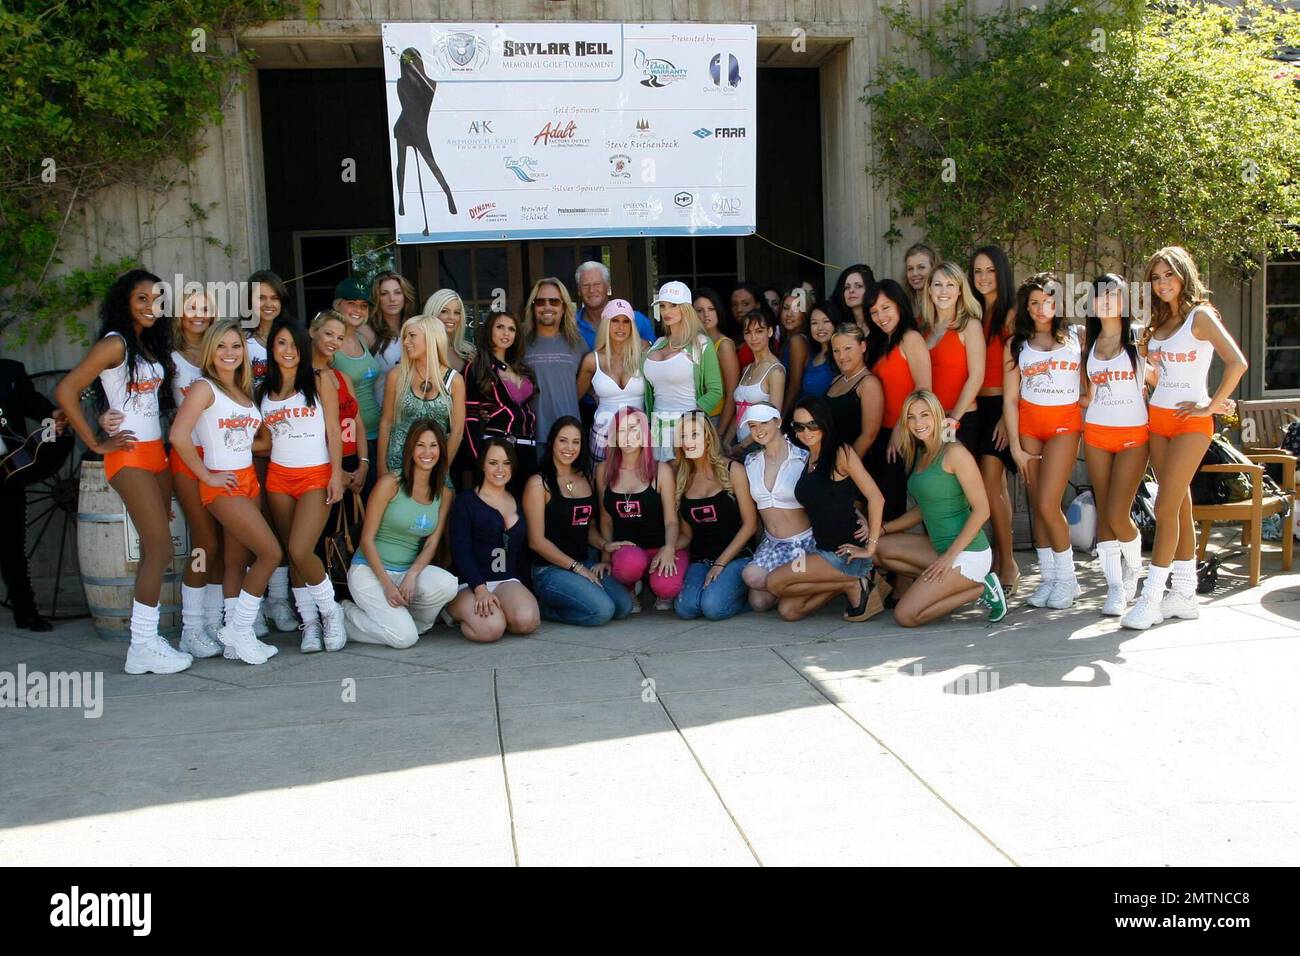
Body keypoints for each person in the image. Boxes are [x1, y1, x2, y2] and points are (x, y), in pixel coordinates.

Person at [56, 270, 189, 674]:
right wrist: (95, 443)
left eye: (156, 300)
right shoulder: (114, 344)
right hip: (128, 457)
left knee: (157, 546)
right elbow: (66, 389)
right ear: (125, 303)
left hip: (157, 456)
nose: (151, 307)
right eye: (141, 300)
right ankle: (143, 646)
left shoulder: (147, 345)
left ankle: (147, 644)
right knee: (160, 549)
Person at [1123, 247, 1247, 629]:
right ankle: (1186, 594)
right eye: (1156, 277)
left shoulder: (1201, 315)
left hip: (1191, 424)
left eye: (1169, 275)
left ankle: (1152, 597)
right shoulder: (1157, 325)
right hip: (1157, 420)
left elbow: (1237, 362)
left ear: (1184, 275)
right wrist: (1148, 363)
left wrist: (1212, 405)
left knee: (1164, 506)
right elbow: (1160, 377)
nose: (1162, 283)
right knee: (1178, 507)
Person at [169, 319, 281, 665]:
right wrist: (207, 475)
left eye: (236, 346)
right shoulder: (204, 387)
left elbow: (258, 437)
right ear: (210, 351)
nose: (229, 353)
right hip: (223, 484)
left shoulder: (243, 392)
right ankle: (239, 629)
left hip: (249, 480)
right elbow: (178, 435)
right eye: (221, 346)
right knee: (271, 553)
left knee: (237, 561)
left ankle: (234, 638)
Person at [874, 390, 1007, 626]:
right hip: (940, 547)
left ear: (937, 416)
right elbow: (924, 507)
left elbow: (982, 510)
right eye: (911, 417)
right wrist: (883, 530)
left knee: (906, 615)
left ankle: (980, 588)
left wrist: (949, 557)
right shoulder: (922, 454)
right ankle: (941, 587)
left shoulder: (955, 452)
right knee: (879, 548)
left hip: (968, 554)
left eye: (924, 415)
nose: (918, 423)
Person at [258, 317, 347, 652]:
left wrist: (337, 473)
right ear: (272, 348)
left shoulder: (320, 380)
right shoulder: (264, 392)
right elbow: (265, 442)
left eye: (294, 344)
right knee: (294, 556)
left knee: (300, 548)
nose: (288, 351)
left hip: (315, 476)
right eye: (280, 343)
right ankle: (309, 624)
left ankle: (330, 611)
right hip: (279, 480)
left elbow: (334, 431)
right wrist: (227, 443)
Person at [1004, 272, 1085, 610]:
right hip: (1029, 428)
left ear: (1058, 302)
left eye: (1047, 301)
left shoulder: (1077, 337)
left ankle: (1069, 580)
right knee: (1037, 503)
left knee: (1050, 503)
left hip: (1065, 426)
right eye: (1033, 303)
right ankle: (1049, 577)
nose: (1040, 308)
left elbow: (1091, 381)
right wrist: (1015, 447)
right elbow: (1009, 399)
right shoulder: (1017, 344)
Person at [341, 419, 459, 647]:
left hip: (406, 572)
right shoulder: (390, 483)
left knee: (448, 584)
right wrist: (387, 585)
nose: (427, 452)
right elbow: (366, 540)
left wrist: (412, 575)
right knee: (403, 639)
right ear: (411, 449)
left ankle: (412, 625)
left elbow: (431, 544)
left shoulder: (444, 494)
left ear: (441, 450)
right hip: (370, 571)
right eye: (420, 445)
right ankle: (345, 616)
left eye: (433, 446)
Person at [766, 397, 885, 622]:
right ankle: (852, 583)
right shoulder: (809, 458)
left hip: (845, 552)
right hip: (822, 551)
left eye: (812, 425)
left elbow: (876, 498)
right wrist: (857, 513)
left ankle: (856, 578)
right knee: (789, 610)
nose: (806, 432)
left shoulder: (841, 452)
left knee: (774, 582)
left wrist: (871, 547)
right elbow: (834, 498)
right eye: (799, 426)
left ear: (824, 423)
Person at [524, 417, 634, 626]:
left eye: (576, 442)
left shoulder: (585, 478)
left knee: (623, 606)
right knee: (603, 611)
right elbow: (536, 542)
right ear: (552, 443)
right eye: (563, 441)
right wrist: (576, 568)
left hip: (584, 563)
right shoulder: (539, 484)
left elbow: (588, 527)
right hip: (550, 570)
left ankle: (576, 597)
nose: (569, 448)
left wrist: (604, 545)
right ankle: (545, 609)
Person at [1083, 274, 1150, 617]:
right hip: (1096, 435)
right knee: (1103, 516)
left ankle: (1134, 571)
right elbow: (1085, 393)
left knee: (1116, 514)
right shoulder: (1088, 342)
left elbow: (1160, 378)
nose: (1107, 301)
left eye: (1114, 295)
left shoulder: (1139, 340)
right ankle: (1114, 588)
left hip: (1133, 437)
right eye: (1100, 295)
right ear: (1093, 302)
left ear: (1125, 301)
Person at [447, 438, 540, 642]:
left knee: (527, 620)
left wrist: (525, 589)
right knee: (490, 629)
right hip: (470, 583)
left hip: (505, 579)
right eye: (493, 463)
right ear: (482, 464)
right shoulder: (466, 501)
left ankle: (500, 613)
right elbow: (460, 550)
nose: (500, 469)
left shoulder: (516, 499)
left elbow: (520, 552)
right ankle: (454, 613)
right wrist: (480, 589)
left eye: (506, 463)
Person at [1, 360, 68, 631]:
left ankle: (25, 611)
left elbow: (33, 403)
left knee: (11, 544)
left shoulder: (10, 371)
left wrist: (55, 416)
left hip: (7, 470)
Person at [597, 406, 687, 609]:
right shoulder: (604, 470)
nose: (628, 436)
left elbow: (671, 520)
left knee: (667, 587)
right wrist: (605, 557)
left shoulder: (660, 470)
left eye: (634, 429)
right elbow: (605, 519)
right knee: (629, 564)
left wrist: (670, 548)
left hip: (659, 546)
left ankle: (657, 587)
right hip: (628, 551)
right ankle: (631, 585)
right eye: (621, 430)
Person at [968, 245, 1020, 591]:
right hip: (976, 409)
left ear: (1001, 272)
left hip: (1003, 406)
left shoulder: (1012, 314)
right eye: (977, 272)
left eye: (989, 270)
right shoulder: (971, 314)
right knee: (994, 488)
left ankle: (1010, 563)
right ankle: (1001, 558)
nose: (983, 278)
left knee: (990, 483)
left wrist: (1007, 415)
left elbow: (1020, 367)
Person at [673, 411, 759, 620]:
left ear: (708, 437)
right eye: (683, 436)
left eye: (694, 434)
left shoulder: (732, 469)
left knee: (712, 608)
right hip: (701, 560)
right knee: (686, 609)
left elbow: (750, 525)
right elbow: (686, 535)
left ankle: (749, 595)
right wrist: (664, 548)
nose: (687, 442)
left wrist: (721, 563)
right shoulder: (682, 476)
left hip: (735, 558)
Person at [737, 404, 816, 612]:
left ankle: (822, 584)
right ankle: (794, 585)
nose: (759, 430)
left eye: (764, 422)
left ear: (778, 422)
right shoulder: (750, 462)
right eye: (753, 425)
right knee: (758, 600)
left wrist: (858, 515)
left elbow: (828, 495)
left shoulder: (803, 457)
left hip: (802, 544)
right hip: (772, 545)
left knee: (778, 597)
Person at [309, 310, 369, 576]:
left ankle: (348, 591)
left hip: (352, 462)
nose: (334, 341)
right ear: (313, 332)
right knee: (324, 535)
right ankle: (324, 598)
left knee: (351, 532)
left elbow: (358, 423)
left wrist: (363, 465)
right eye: (328, 333)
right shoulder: (304, 376)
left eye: (340, 337)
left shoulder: (342, 377)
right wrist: (337, 472)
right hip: (325, 465)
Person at [866, 279, 932, 521]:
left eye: (886, 308)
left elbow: (924, 388)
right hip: (880, 432)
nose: (880, 316)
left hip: (904, 432)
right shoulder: (880, 341)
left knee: (893, 501)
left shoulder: (910, 338)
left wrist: (900, 428)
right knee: (881, 498)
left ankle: (894, 553)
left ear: (899, 305)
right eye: (874, 312)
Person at [643, 281, 723, 461]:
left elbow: (716, 391)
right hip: (657, 428)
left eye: (673, 305)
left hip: (688, 430)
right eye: (662, 306)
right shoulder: (656, 344)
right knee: (661, 484)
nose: (666, 311)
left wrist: (691, 420)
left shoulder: (701, 344)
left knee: (685, 482)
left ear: (686, 308)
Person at [378, 313, 465, 480]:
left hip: (434, 462)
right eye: (405, 337)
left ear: (431, 338)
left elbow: (457, 432)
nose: (405, 342)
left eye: (411, 336)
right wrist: (382, 468)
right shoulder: (397, 375)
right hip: (397, 463)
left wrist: (442, 471)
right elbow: (386, 422)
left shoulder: (454, 380)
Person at [464, 310, 538, 488]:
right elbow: (470, 418)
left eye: (511, 329)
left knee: (524, 507)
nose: (506, 333)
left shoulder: (522, 369)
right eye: (500, 327)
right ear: (489, 330)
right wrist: (478, 458)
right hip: (497, 449)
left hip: (527, 447)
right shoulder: (478, 367)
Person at [920, 261, 985, 453]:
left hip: (960, 419)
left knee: (955, 481)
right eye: (938, 284)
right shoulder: (923, 329)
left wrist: (953, 420)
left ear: (959, 291)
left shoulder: (969, 325)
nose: (943, 291)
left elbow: (977, 377)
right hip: (929, 420)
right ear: (929, 290)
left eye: (950, 285)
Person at [523, 277, 586, 453]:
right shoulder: (520, 343)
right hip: (533, 437)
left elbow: (588, 387)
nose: (547, 307)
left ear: (564, 306)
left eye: (554, 302)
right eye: (540, 302)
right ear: (533, 306)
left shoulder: (577, 343)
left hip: (569, 438)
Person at [577, 300, 644, 462]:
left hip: (638, 436)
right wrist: (595, 392)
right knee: (603, 485)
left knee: (639, 485)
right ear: (606, 324)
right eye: (615, 320)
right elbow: (575, 397)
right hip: (603, 437)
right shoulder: (592, 361)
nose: (621, 327)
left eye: (626, 321)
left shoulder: (643, 354)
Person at [726, 310, 785, 454]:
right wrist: (726, 442)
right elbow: (740, 409)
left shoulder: (775, 370)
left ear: (770, 332)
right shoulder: (747, 368)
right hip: (739, 444)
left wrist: (742, 446)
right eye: (748, 332)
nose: (753, 338)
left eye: (759, 331)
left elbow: (774, 417)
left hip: (761, 446)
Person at [823, 323, 883, 460]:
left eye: (847, 348)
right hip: (828, 457)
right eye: (836, 351)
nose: (842, 356)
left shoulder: (869, 384)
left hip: (852, 464)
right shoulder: (836, 380)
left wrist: (844, 467)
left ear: (862, 346)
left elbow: (869, 434)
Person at [365, 271, 417, 407]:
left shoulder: (417, 329)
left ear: (405, 296)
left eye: (397, 292)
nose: (392, 299)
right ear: (377, 298)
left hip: (415, 416)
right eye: (384, 293)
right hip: (381, 414)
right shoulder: (368, 333)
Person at [574, 261, 656, 346]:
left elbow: (655, 350)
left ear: (608, 286)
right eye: (586, 285)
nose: (591, 290)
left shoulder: (636, 319)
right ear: (579, 290)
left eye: (597, 284)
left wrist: (647, 344)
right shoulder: (570, 324)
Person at [694, 287, 740, 434]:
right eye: (699, 310)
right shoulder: (691, 343)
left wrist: (720, 432)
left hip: (714, 418)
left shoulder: (723, 344)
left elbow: (732, 392)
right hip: (691, 417)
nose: (706, 314)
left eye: (711, 309)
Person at [422, 287, 475, 375]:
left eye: (457, 312)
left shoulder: (468, 352)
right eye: (444, 311)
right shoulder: (419, 349)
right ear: (432, 313)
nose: (451, 317)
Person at [778, 291, 811, 412]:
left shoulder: (797, 341)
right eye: (786, 308)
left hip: (796, 410)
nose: (789, 314)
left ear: (805, 313)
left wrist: (781, 417)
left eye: (796, 308)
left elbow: (794, 386)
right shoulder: (787, 340)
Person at [799, 304, 837, 399]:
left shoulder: (840, 357)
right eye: (814, 323)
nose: (820, 328)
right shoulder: (812, 355)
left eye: (826, 321)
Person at [829, 264, 875, 334]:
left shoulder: (879, 322)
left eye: (858, 286)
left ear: (869, 289)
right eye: (847, 287)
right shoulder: (837, 326)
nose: (851, 290)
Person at [902, 243, 938, 313]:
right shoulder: (903, 302)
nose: (914, 273)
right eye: (910, 269)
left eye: (921, 267)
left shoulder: (942, 303)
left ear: (934, 268)